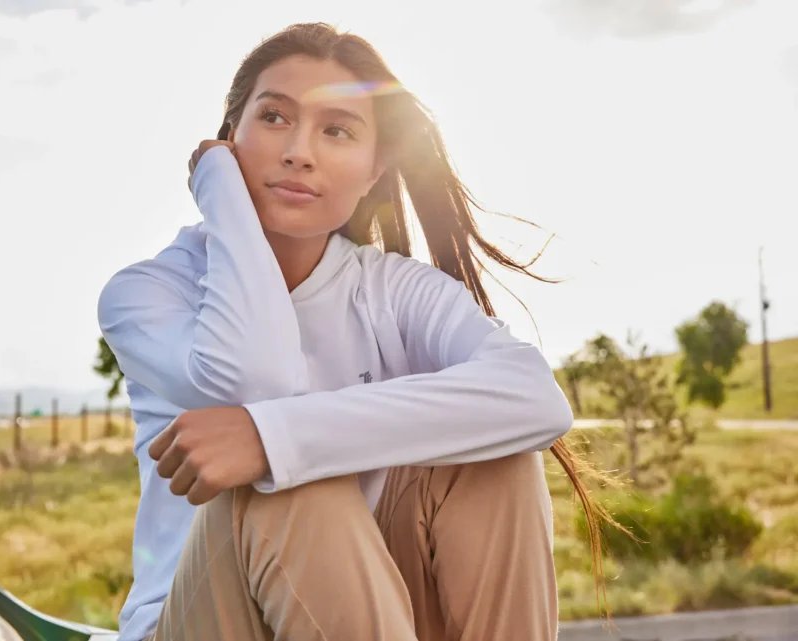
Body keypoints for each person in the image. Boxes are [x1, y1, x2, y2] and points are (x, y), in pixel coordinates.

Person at [98, 22, 609, 641]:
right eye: (275, 118)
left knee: (494, 460)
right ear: (229, 138)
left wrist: (274, 439)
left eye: (336, 130)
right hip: (199, 620)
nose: (299, 152)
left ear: (373, 173)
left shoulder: (391, 289)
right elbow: (256, 379)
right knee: (285, 486)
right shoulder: (149, 294)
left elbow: (535, 399)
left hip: (361, 613)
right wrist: (219, 192)